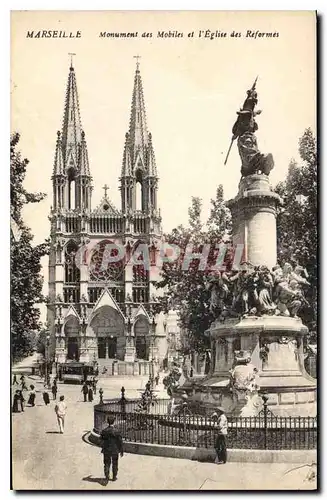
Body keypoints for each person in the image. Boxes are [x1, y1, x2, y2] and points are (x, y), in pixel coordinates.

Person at [100, 415, 124, 483]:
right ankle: (114, 477)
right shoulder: (117, 431)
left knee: (107, 463)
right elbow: (120, 442)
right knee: (115, 463)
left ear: (107, 422)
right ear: (114, 421)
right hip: (115, 450)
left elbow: (101, 439)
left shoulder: (104, 431)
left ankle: (107, 476)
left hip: (106, 449)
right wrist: (121, 450)